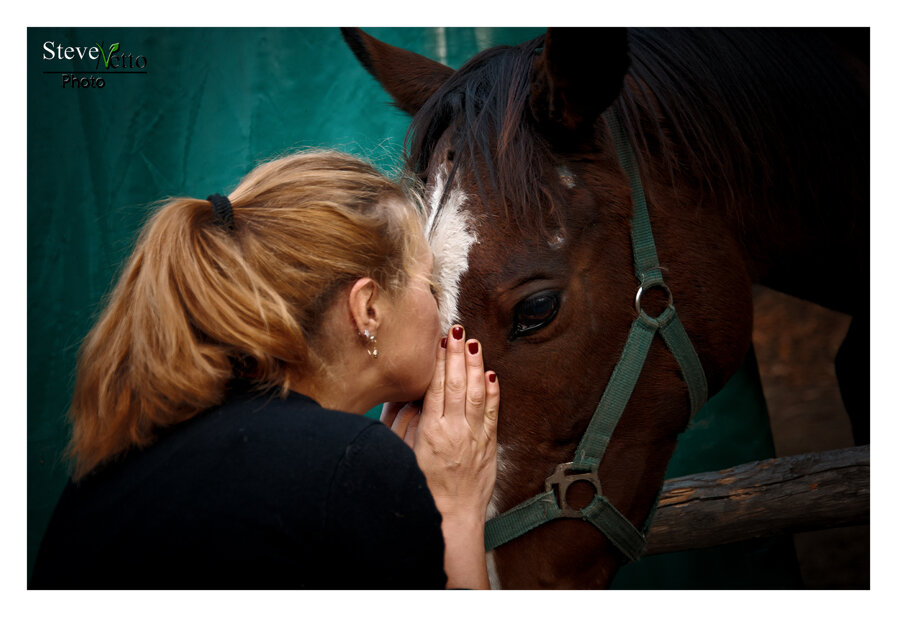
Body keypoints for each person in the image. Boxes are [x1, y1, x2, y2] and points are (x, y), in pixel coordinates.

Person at [30, 150, 499, 590]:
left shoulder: (116, 461)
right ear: (368, 308)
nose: (443, 311)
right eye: (430, 283)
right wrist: (453, 512)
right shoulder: (349, 466)